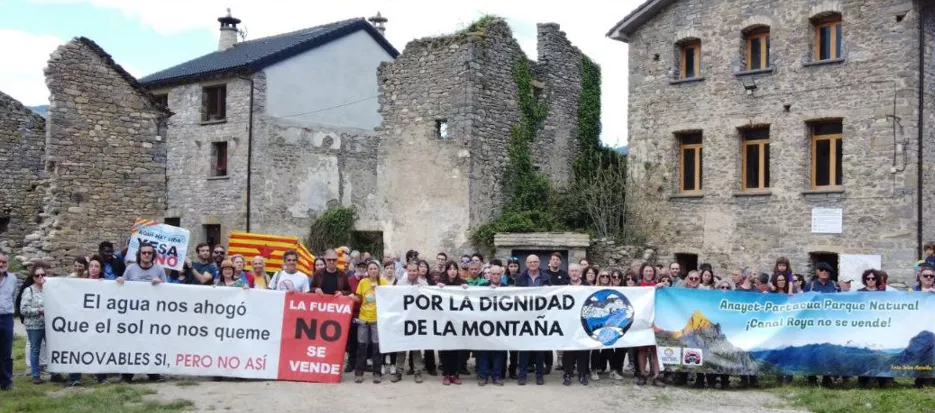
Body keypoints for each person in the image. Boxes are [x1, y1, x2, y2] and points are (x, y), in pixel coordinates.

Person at [116, 242, 165, 383]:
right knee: (131, 343)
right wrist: (120, 281)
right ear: (139, 254)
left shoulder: (159, 269)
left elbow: (168, 291)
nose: (147, 255)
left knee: (151, 343)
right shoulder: (131, 269)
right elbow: (123, 286)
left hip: (152, 315)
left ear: (153, 255)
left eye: (149, 253)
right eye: (144, 253)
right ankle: (127, 375)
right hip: (133, 314)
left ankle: (153, 373)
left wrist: (160, 283)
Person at [16, 263, 65, 385]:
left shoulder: (49, 289)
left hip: (49, 325)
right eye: (37, 275)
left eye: (43, 274)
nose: (40, 277)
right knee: (35, 349)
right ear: (33, 277)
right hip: (34, 325)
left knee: (52, 349)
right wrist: (38, 311)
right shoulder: (29, 291)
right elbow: (23, 309)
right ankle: (36, 375)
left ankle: (55, 373)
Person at [67, 256, 110, 385]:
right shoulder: (80, 283)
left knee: (99, 349)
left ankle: (101, 377)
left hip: (98, 323)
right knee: (78, 348)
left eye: (96, 266)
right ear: (88, 268)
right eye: (91, 266)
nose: (93, 269)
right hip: (81, 323)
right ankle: (75, 378)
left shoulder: (106, 284)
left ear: (100, 269)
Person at [515, 255, 550, 385]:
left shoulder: (546, 277)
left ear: (539, 263)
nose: (533, 264)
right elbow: (516, 297)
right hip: (525, 317)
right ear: (526, 263)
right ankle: (522, 375)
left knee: (540, 349)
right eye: (530, 262)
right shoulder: (520, 278)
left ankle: (539, 375)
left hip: (541, 318)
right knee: (524, 349)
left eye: (535, 262)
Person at [391, 261, 427, 383]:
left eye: (414, 270)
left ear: (418, 271)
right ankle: (398, 371)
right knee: (401, 346)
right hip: (403, 319)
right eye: (410, 270)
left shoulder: (424, 284)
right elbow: (394, 300)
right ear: (407, 271)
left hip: (417, 320)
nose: (412, 273)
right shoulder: (400, 284)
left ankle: (417, 372)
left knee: (416, 347)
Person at [351, 261, 386, 383]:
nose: (372, 271)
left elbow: (389, 298)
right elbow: (359, 298)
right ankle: (359, 373)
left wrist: (379, 290)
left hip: (377, 319)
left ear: (378, 270)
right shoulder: (363, 282)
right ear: (367, 270)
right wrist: (350, 297)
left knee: (376, 347)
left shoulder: (383, 282)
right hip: (363, 319)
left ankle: (377, 373)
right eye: (370, 268)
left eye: (375, 268)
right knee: (362, 346)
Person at [476, 265, 508, 387]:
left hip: (500, 326)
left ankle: (497, 376)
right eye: (493, 274)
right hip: (484, 326)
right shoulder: (481, 288)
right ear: (489, 275)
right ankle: (483, 376)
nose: (495, 276)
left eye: (498, 274)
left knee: (499, 352)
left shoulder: (507, 289)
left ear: (501, 275)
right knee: (483, 351)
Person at [437, 261, 467, 385]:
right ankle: (446, 374)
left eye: (455, 268)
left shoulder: (461, 283)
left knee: (456, 350)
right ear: (447, 270)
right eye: (450, 269)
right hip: (444, 322)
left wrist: (466, 288)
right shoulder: (440, 284)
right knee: (445, 350)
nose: (452, 271)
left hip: (457, 322)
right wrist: (437, 288)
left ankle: (454, 374)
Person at [561, 263, 590, 386]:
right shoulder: (563, 286)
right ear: (569, 273)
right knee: (568, 349)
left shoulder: (587, 286)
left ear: (580, 273)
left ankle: (582, 373)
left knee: (583, 349)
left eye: (576, 271)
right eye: (572, 271)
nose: (574, 273)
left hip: (583, 322)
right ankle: (567, 373)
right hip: (568, 322)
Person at [635, 264, 664, 387]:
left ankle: (656, 375)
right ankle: (642, 374)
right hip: (642, 322)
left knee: (655, 350)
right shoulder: (637, 287)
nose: (649, 273)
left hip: (656, 321)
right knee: (642, 350)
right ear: (642, 272)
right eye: (646, 271)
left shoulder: (659, 286)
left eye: (651, 271)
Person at [590, 269, 613, 381]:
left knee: (609, 346)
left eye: (607, 276)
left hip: (610, 321)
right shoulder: (593, 290)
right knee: (595, 347)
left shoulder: (614, 290)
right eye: (603, 276)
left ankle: (606, 368)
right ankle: (593, 369)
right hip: (597, 321)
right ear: (599, 277)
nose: (605, 278)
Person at [0, 253, 14, 391]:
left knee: (6, 351)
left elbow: (13, 296)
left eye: (4, 262)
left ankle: (6, 381)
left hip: (7, 317)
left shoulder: (13, 279)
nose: (1, 264)